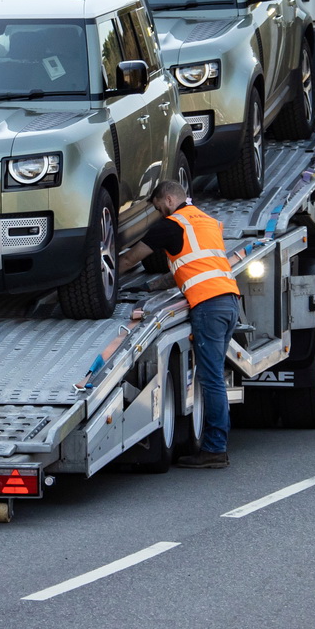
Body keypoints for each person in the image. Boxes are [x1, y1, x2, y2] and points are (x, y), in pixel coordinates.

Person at [119, 179, 238, 469]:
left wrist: (101, 274)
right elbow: (192, 266)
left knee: (210, 380)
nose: (161, 213)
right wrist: (151, 286)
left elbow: (132, 258)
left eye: (160, 208)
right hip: (229, 301)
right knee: (214, 378)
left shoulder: (172, 224)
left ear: (169, 200)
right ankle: (216, 445)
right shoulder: (208, 222)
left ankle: (214, 450)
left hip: (208, 306)